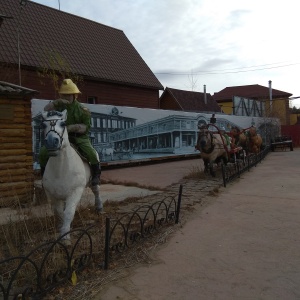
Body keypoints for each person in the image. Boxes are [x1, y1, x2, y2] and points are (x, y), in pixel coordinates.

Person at [39, 78, 101, 186]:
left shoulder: (83, 109)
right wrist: (56, 102)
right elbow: (45, 110)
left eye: (68, 95)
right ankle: (44, 175)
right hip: (61, 136)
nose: (65, 97)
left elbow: (86, 127)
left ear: (74, 95)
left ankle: (96, 175)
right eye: (63, 95)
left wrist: (72, 127)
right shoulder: (59, 106)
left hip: (79, 137)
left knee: (91, 153)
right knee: (43, 152)